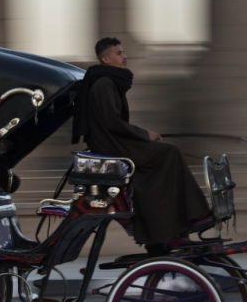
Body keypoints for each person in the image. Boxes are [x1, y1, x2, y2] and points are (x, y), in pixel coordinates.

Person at [71, 37, 214, 254]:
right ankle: (191, 218)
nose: (124, 56)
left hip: (114, 143)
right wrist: (144, 135)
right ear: (106, 58)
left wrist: (143, 136)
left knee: (164, 159)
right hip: (113, 147)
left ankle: (171, 229)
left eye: (123, 52)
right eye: (119, 53)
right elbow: (111, 122)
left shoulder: (108, 81)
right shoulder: (104, 84)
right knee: (169, 154)